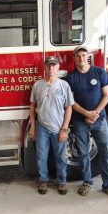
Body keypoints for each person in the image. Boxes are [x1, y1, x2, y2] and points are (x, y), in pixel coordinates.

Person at [65, 45, 108, 202]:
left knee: (105, 153)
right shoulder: (71, 78)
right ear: (74, 59)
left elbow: (106, 95)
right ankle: (87, 182)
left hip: (100, 120)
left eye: (84, 55)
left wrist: (95, 113)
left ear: (88, 57)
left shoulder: (99, 73)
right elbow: (71, 102)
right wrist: (86, 113)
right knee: (83, 154)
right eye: (78, 56)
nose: (81, 58)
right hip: (79, 121)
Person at [29, 56, 74, 195]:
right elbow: (32, 106)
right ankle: (43, 180)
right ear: (45, 67)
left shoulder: (64, 85)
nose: (51, 68)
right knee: (41, 156)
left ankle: (61, 182)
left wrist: (65, 128)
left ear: (58, 67)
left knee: (60, 157)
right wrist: (32, 127)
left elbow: (69, 108)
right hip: (42, 127)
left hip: (59, 128)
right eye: (48, 66)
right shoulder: (37, 85)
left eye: (54, 66)